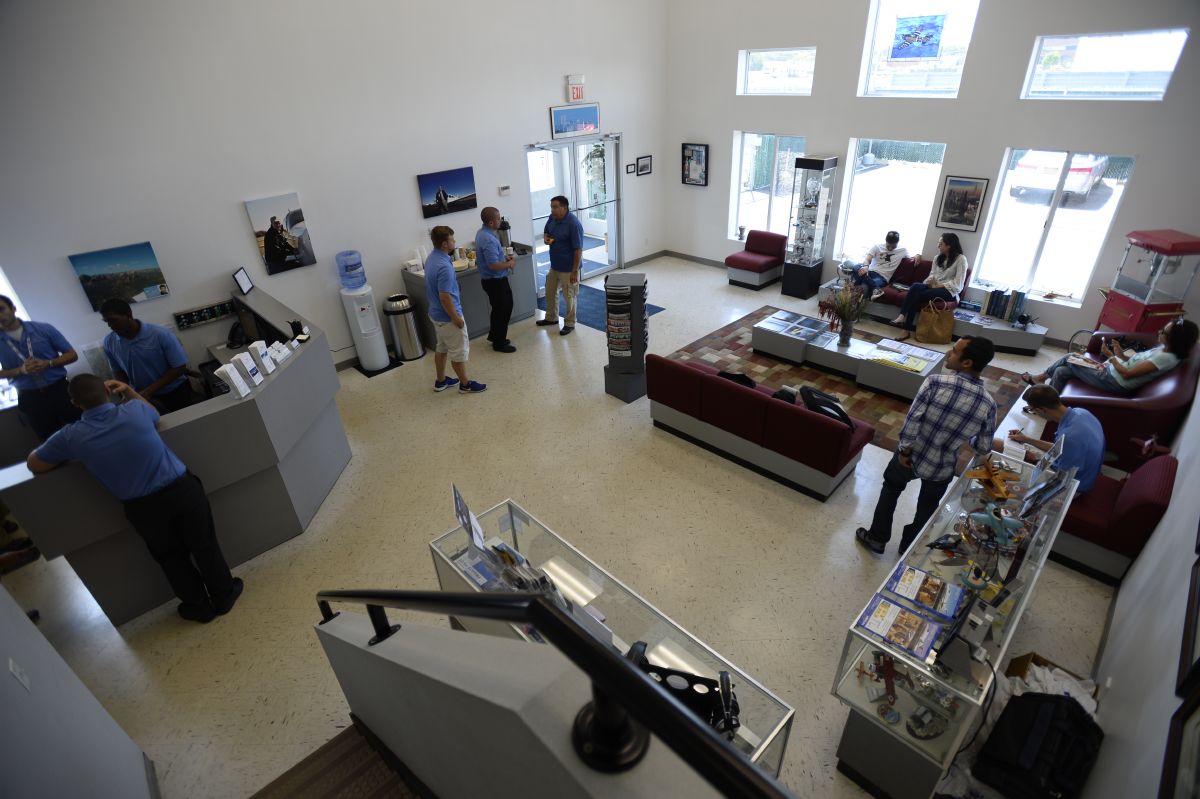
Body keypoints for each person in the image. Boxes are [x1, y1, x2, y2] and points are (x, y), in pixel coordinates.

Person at [26, 375, 243, 623]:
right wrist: (128, 390)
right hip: (182, 490)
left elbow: (35, 463)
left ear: (74, 403)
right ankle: (224, 595)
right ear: (107, 391)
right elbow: (155, 415)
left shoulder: (70, 437)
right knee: (205, 545)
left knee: (171, 558)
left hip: (144, 508)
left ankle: (198, 606)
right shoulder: (135, 410)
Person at [856, 336, 998, 555]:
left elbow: (913, 421)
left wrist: (905, 451)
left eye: (954, 351)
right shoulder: (988, 403)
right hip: (942, 467)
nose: (948, 353)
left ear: (966, 362)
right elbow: (982, 447)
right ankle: (909, 548)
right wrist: (963, 433)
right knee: (927, 508)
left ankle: (877, 537)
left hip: (910, 456)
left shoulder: (935, 382)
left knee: (891, 489)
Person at [1022, 318, 1199, 395]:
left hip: (1114, 381)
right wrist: (1119, 352)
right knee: (1061, 371)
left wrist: (1110, 357)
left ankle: (1040, 379)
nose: (1159, 332)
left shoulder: (1166, 358)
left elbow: (1128, 374)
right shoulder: (1163, 350)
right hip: (1111, 372)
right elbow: (1132, 363)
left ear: (1175, 339)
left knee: (1069, 356)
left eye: (1164, 332)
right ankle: (1047, 402)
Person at [0, 294, 81, 440]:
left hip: (60, 390)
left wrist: (48, 363)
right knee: (51, 442)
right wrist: (20, 370)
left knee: (84, 431)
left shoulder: (44, 329)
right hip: (30, 397)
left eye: (1, 309)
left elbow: (72, 355)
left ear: (13, 308)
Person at [101, 298, 198, 413]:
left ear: (128, 315)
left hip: (174, 392)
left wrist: (148, 391)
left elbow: (179, 367)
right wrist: (124, 392)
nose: (110, 325)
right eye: (106, 321)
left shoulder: (161, 334)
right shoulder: (109, 342)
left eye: (113, 320)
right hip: (140, 396)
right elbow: (118, 371)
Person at [1001, 385, 1105, 493]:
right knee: (1009, 448)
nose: (1034, 413)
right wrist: (1026, 439)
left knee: (1009, 474)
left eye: (1032, 410)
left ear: (1041, 410)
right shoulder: (1081, 412)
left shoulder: (1070, 438)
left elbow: (1060, 478)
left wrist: (1035, 460)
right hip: (1081, 471)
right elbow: (1060, 447)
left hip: (1073, 487)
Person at [424, 225, 487, 394]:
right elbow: (445, 297)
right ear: (445, 244)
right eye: (452, 239)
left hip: (435, 314)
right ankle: (465, 384)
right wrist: (456, 318)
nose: (455, 242)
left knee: (442, 347)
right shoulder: (444, 266)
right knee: (458, 353)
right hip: (447, 318)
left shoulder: (432, 258)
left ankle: (441, 380)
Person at [891, 232, 968, 341]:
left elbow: (959, 284)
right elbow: (931, 275)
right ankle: (902, 316)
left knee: (916, 295)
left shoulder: (961, 259)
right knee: (916, 286)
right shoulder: (938, 258)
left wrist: (939, 285)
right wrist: (929, 282)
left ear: (949, 245)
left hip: (949, 291)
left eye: (941, 244)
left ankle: (905, 328)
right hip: (934, 287)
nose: (938, 246)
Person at [537, 195, 584, 336]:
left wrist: (574, 271)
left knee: (569, 296)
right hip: (555, 265)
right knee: (550, 292)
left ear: (564, 208)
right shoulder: (552, 218)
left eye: (555, 207)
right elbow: (546, 231)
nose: (552, 210)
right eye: (551, 207)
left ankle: (570, 323)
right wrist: (546, 238)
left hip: (569, 268)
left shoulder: (573, 224)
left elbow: (578, 250)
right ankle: (552, 318)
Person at [475, 207, 517, 353]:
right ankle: (499, 343)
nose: (501, 220)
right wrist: (509, 264)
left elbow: (493, 257)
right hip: (496, 281)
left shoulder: (483, 233)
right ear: (492, 222)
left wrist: (503, 257)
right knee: (504, 310)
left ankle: (495, 337)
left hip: (491, 281)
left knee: (498, 309)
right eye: (499, 218)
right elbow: (493, 265)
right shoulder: (488, 239)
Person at [844, 230, 908, 300]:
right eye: (888, 246)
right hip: (869, 272)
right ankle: (876, 288)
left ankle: (858, 285)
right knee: (856, 267)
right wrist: (865, 267)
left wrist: (918, 255)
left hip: (882, 277)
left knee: (864, 285)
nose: (890, 248)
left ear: (897, 243)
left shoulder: (903, 250)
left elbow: (913, 258)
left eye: (893, 247)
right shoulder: (877, 247)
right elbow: (867, 259)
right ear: (885, 241)